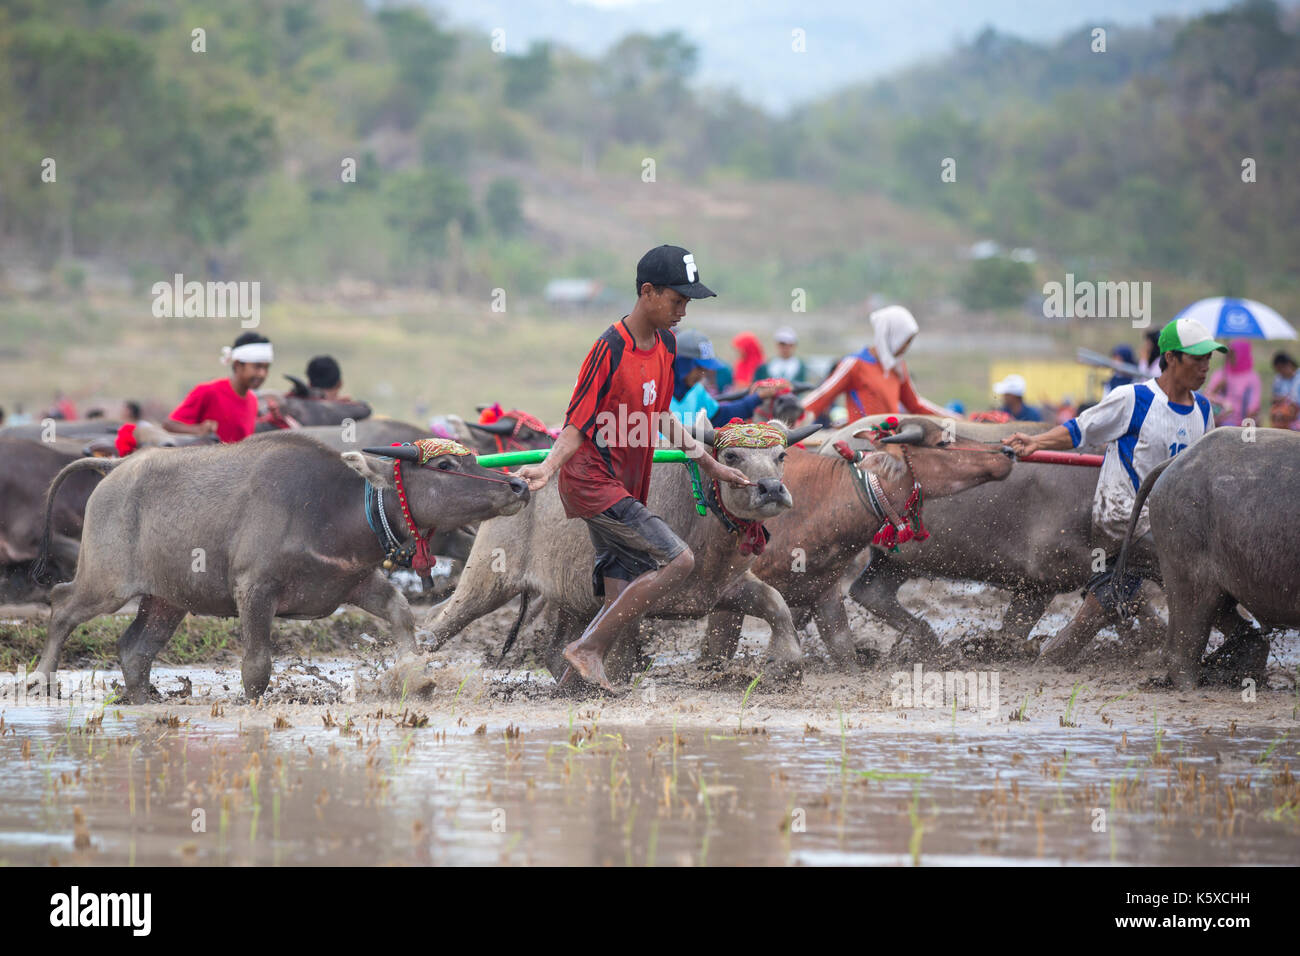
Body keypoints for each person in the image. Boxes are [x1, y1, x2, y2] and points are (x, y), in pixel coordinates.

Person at [515, 244, 752, 693]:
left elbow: (662, 415)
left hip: (627, 486)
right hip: (593, 483)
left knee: (618, 591)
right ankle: (586, 649)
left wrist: (708, 461)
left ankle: (569, 690)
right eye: (677, 300)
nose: (683, 311)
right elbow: (577, 424)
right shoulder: (609, 348)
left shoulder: (665, 344)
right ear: (648, 292)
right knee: (679, 559)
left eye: (687, 302)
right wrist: (547, 468)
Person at [1004, 317, 1227, 666]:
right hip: (1122, 515)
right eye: (1196, 358)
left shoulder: (1203, 410)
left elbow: (1202, 473)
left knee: (1114, 592)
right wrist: (1035, 442)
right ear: (1170, 358)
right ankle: (1186, 658)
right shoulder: (1133, 399)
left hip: (1168, 522)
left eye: (1208, 359)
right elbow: (1080, 430)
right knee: (1196, 570)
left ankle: (1051, 661)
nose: (1205, 367)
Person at [801, 305, 948, 422]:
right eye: (906, 340)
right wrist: (790, 419)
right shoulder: (855, 364)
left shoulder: (897, 368)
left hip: (891, 444)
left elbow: (915, 404)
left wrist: (955, 420)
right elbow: (822, 395)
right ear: (892, 335)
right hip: (861, 446)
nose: (907, 346)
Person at [165, 332, 272, 443]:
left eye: (266, 368)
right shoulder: (208, 391)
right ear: (237, 365)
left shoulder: (253, 401)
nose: (262, 374)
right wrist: (197, 430)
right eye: (257, 367)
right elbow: (169, 425)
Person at [670, 330, 777, 426]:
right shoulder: (657, 388)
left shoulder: (696, 391)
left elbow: (721, 415)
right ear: (682, 364)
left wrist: (758, 397)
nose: (702, 375)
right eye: (698, 368)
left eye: (705, 369)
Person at [1203, 340, 1261, 428]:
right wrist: (1217, 391)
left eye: (1233, 354)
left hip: (1241, 423)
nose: (1230, 357)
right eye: (1229, 354)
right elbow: (1206, 395)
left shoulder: (1252, 378)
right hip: (1220, 421)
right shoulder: (1221, 374)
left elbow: (1254, 404)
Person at [1271, 351, 1300, 430]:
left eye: (1281, 368)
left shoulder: (1298, 378)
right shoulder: (1278, 379)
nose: (1280, 372)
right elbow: (1274, 399)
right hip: (1283, 419)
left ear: (1289, 365)